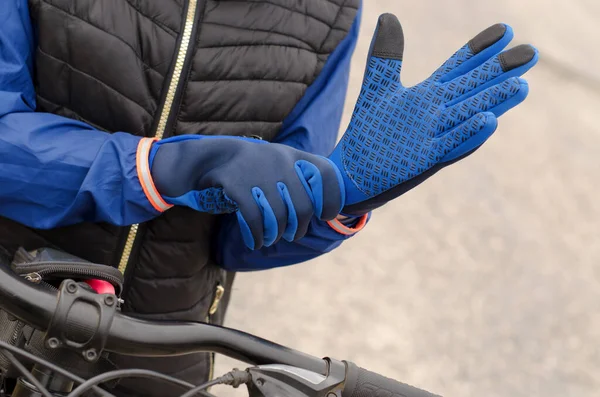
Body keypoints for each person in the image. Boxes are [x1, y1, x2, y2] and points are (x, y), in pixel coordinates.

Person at [0, 1, 537, 396]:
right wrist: (162, 167)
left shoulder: (329, 15)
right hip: (12, 297)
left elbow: (241, 239)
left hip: (157, 358)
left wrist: (338, 197)